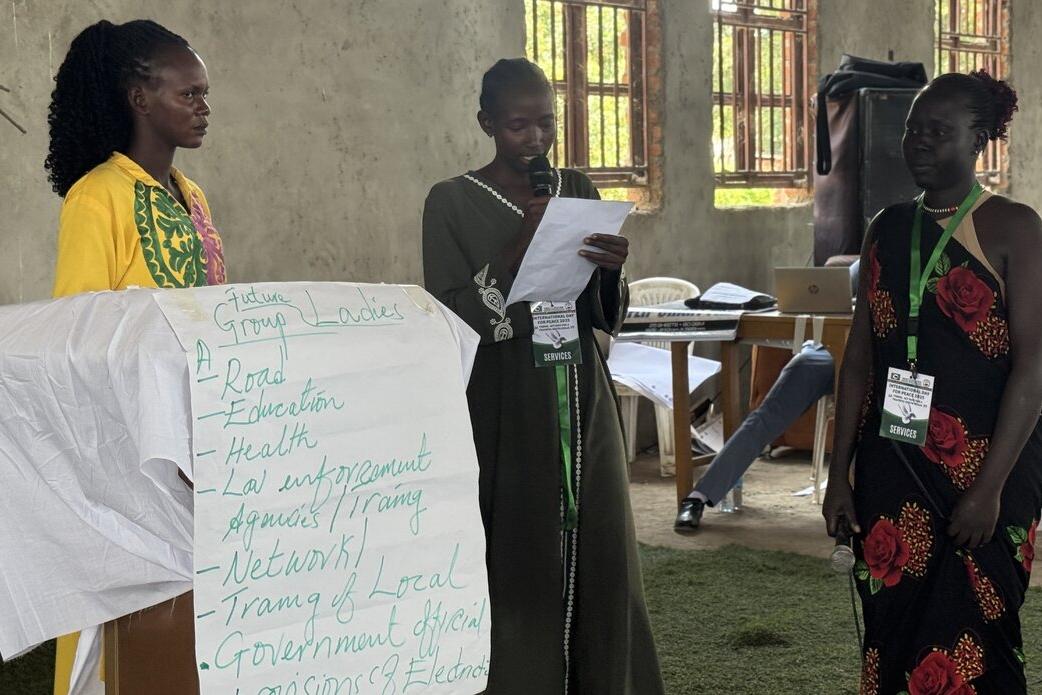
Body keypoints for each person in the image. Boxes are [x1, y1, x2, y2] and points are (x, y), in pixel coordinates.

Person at [422, 58, 664, 694]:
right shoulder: (449, 201)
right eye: (517, 124)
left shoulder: (576, 188)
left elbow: (604, 314)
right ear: (487, 123)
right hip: (507, 399)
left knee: (602, 544)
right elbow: (450, 318)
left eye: (546, 123)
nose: (534, 140)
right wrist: (515, 248)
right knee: (521, 549)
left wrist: (612, 269)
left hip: (583, 388)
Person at [823, 70, 1042, 694]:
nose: (918, 141)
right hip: (894, 460)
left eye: (939, 131)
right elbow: (860, 360)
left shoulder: (1014, 228)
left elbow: (1034, 368)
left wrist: (989, 490)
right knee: (894, 621)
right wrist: (840, 476)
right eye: (913, 129)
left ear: (980, 141)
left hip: (988, 465)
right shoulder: (885, 229)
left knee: (979, 630)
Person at [44, 19, 223, 695]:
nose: (204, 107)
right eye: (190, 93)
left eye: (206, 94)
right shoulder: (98, 197)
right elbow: (77, 341)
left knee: (187, 630)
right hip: (129, 451)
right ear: (140, 98)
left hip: (197, 440)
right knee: (118, 634)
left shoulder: (193, 197)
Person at [675, 261, 859, 531]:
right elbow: (831, 293)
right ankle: (697, 498)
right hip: (825, 350)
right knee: (766, 415)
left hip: (876, 359)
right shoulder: (876, 244)